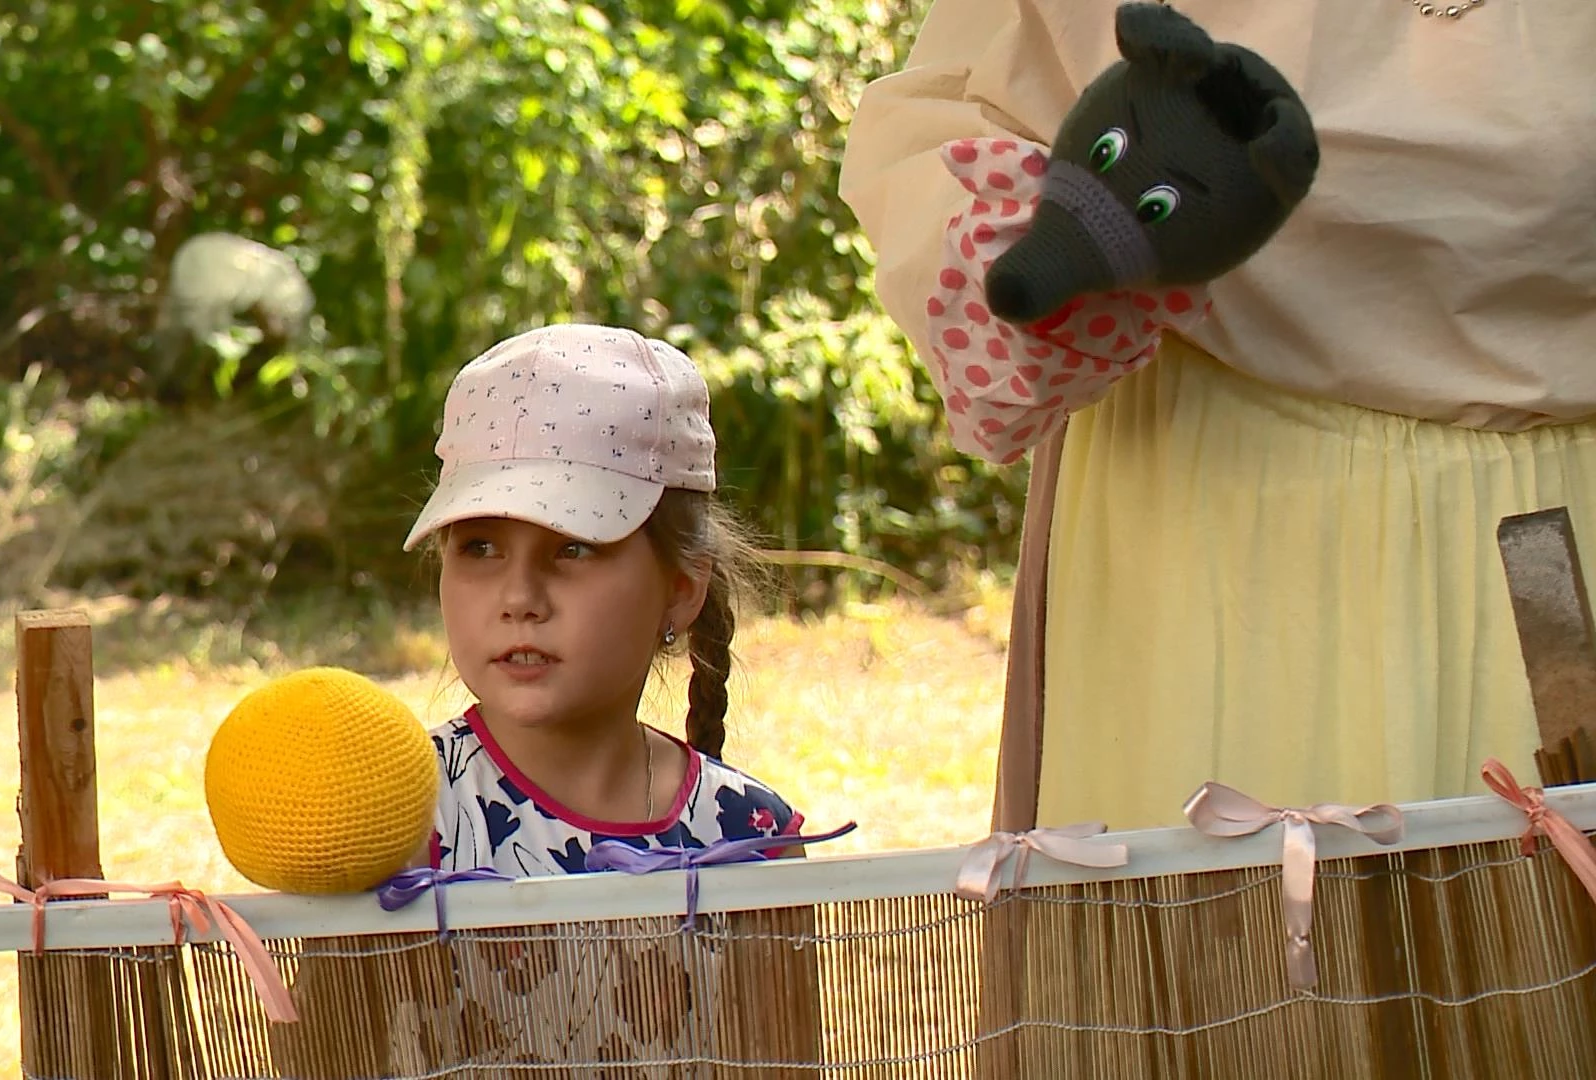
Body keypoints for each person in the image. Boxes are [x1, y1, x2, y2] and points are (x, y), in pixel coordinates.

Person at [841, 0, 1596, 832]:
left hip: (1557, 537)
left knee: (1544, 904)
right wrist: (1043, 253)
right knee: (1229, 908)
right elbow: (957, 109)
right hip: (1207, 523)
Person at [403, 321, 808, 876]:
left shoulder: (750, 837)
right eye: (481, 547)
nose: (519, 598)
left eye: (573, 548)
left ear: (681, 590)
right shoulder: (393, 819)